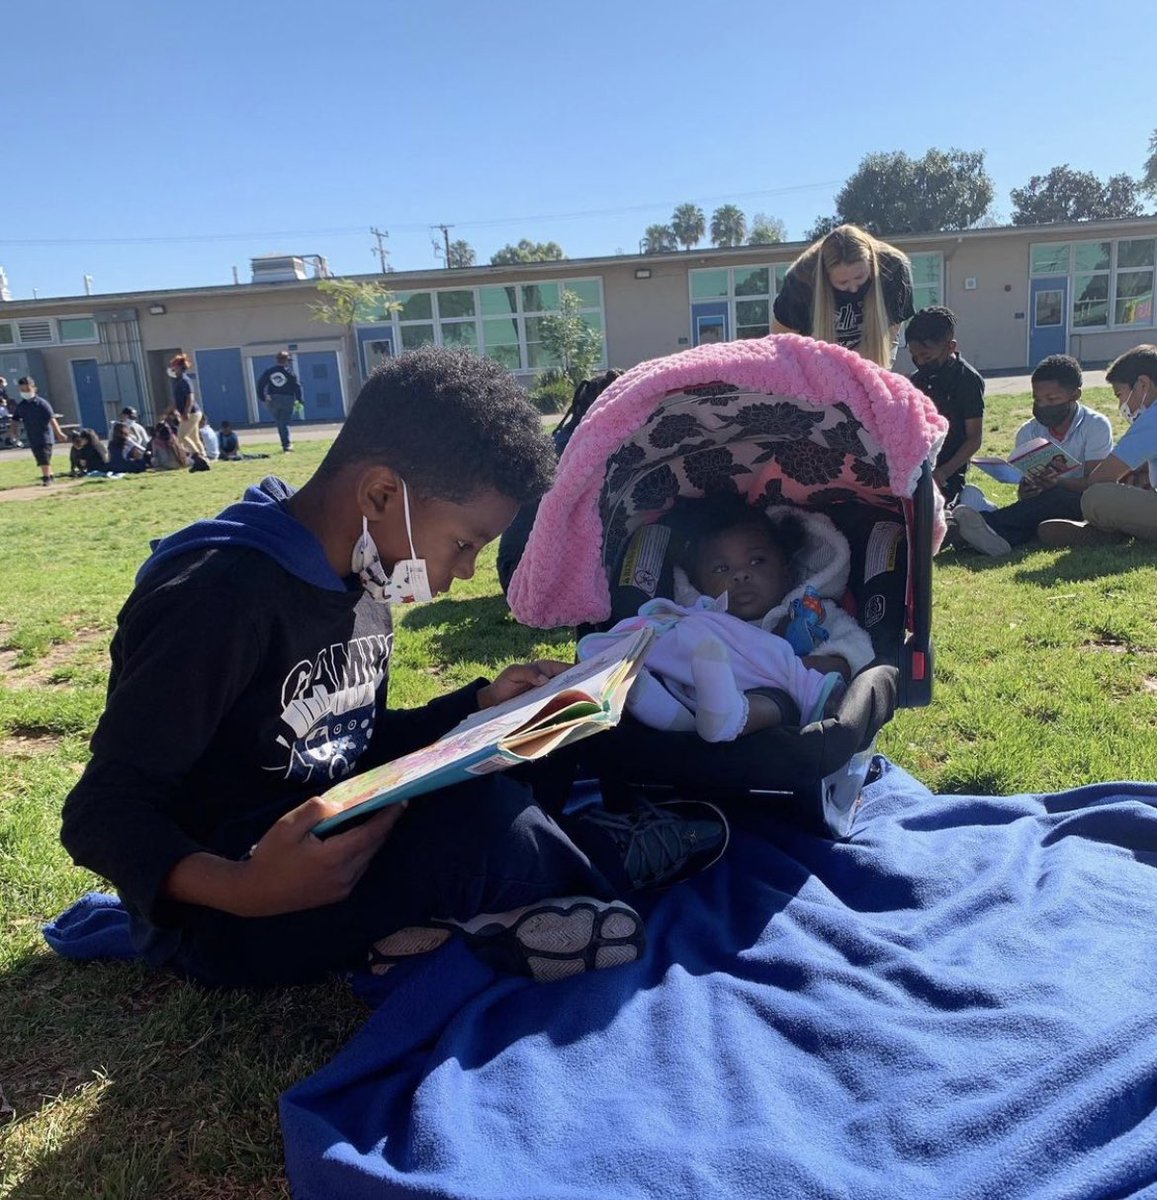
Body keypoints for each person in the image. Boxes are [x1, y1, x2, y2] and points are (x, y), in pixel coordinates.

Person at [59, 347, 727, 989]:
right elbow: (101, 810)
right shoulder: (217, 600)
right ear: (381, 494)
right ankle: (588, 860)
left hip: (341, 833)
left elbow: (342, 742)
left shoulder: (363, 574)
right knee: (483, 821)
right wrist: (243, 887)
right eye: (463, 544)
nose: (465, 572)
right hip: (239, 910)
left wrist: (479, 708)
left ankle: (457, 916)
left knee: (545, 733)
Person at [579, 494, 875, 743]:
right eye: (722, 569)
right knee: (672, 668)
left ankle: (733, 716)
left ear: (786, 571)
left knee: (778, 698)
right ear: (699, 584)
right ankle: (657, 706)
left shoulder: (810, 611)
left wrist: (798, 666)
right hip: (693, 696)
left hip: (776, 718)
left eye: (757, 561)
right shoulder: (701, 620)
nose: (741, 574)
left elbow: (854, 647)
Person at [951, 355, 1113, 557]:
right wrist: (1027, 490)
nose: (1043, 405)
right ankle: (988, 533)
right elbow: (1025, 495)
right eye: (1037, 399)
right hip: (1041, 503)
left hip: (1082, 502)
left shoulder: (1096, 425)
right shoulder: (1028, 431)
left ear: (1075, 395)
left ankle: (985, 525)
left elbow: (1095, 484)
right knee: (1035, 509)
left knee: (1056, 498)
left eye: (1052, 399)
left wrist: (1058, 482)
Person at [1038, 344, 1157, 546]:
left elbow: (1099, 479)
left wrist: (1060, 482)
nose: (1121, 406)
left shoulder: (1152, 418)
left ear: (1143, 385)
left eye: (1120, 395)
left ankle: (1109, 532)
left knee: (1096, 497)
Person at [771, 224, 915, 367]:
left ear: (871, 264)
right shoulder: (801, 279)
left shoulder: (893, 268)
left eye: (859, 277)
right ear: (827, 276)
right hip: (813, 352)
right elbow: (782, 342)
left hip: (875, 343)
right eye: (842, 282)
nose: (853, 288)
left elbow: (890, 330)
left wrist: (856, 367)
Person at [906, 307, 985, 506]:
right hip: (918, 465)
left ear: (950, 347)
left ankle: (975, 505)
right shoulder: (916, 380)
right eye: (914, 356)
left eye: (927, 357)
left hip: (949, 470)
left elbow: (974, 438)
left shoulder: (967, 380)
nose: (920, 362)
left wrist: (943, 472)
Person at [12, 376, 66, 486]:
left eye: (27, 390)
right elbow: (15, 419)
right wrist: (14, 433)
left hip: (45, 436)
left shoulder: (42, 404)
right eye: (22, 390)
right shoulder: (22, 406)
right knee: (40, 456)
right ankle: (50, 474)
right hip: (32, 436)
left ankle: (46, 478)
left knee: (44, 456)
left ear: (34, 389)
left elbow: (52, 419)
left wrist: (59, 433)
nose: (25, 392)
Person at [256, 350, 303, 453]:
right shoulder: (290, 373)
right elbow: (297, 387)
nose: (289, 363)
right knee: (285, 422)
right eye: (288, 361)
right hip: (287, 399)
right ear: (285, 361)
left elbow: (260, 384)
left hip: (273, 399)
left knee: (280, 422)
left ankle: (285, 443)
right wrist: (299, 400)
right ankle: (287, 445)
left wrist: (262, 397)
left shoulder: (269, 371)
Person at [168, 353, 206, 459]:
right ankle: (204, 456)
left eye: (174, 365)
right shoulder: (177, 381)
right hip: (191, 413)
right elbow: (177, 400)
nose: (172, 368)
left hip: (192, 413)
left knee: (181, 437)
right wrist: (171, 411)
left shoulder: (185, 380)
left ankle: (197, 456)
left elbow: (190, 397)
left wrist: (186, 412)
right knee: (194, 438)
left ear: (179, 367)